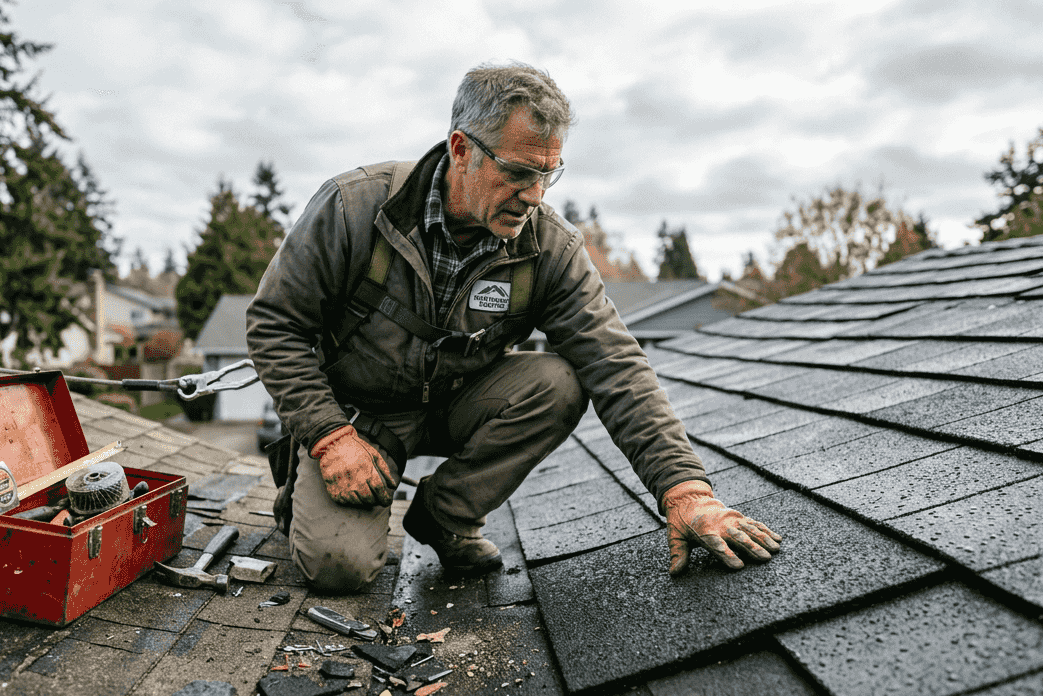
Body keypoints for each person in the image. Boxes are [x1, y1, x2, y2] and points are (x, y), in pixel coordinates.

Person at [247, 62, 781, 592]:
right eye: (519, 172)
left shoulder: (549, 248)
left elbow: (616, 363)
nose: (535, 195)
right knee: (338, 568)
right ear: (461, 149)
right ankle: (303, 488)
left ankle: (444, 515)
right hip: (359, 418)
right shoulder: (353, 208)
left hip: (458, 404)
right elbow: (274, 325)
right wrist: (329, 436)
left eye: (549, 173)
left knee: (558, 382)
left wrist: (685, 490)